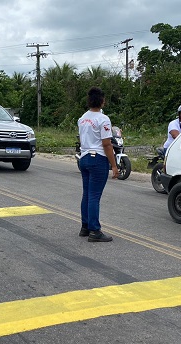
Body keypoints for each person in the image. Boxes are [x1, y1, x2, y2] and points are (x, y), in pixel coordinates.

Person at [77, 87, 119, 243]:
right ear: (102, 101)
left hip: (84, 157)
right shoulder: (103, 119)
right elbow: (107, 144)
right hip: (97, 159)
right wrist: (114, 165)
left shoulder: (82, 118)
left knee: (87, 194)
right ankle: (95, 230)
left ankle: (85, 226)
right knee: (94, 196)